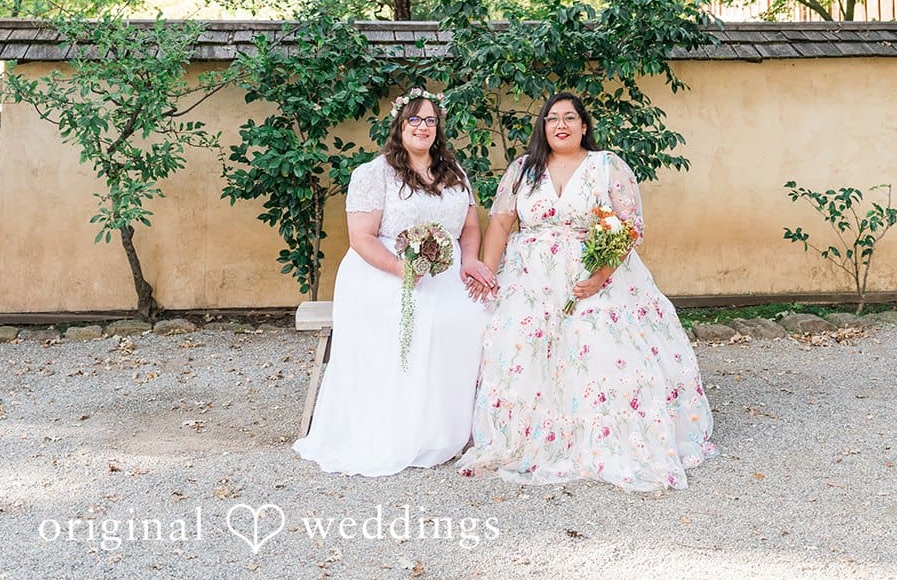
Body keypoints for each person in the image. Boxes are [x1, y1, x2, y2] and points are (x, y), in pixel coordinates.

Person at [459, 90, 716, 492]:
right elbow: (500, 223)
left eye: (569, 118)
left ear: (583, 126)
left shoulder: (606, 165)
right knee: (523, 351)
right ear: (543, 127)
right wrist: (488, 274)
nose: (560, 125)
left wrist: (601, 275)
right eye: (552, 118)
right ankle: (528, 438)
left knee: (596, 349)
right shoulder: (523, 170)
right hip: (531, 281)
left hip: (594, 277)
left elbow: (629, 226)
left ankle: (602, 439)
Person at [293, 87, 495, 476]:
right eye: (414, 119)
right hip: (385, 271)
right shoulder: (374, 174)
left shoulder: (454, 172)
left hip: (448, 271)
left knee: (478, 317)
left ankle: (455, 429)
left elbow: (470, 227)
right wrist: (403, 270)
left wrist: (470, 261)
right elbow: (361, 237)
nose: (423, 127)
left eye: (430, 120)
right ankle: (407, 428)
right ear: (400, 125)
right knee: (423, 321)